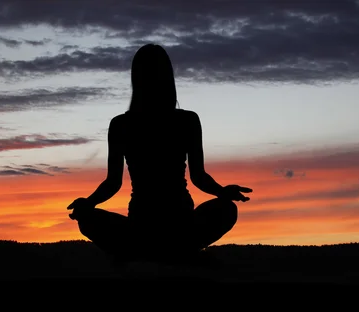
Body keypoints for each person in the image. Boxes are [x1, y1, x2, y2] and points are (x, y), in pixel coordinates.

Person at [67, 44, 252, 263]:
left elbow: (113, 183)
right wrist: (88, 204)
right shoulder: (183, 121)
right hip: (163, 226)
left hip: (157, 226)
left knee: (226, 208)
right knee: (225, 210)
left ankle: (148, 254)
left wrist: (222, 192)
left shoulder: (124, 125)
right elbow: (198, 177)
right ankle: (178, 253)